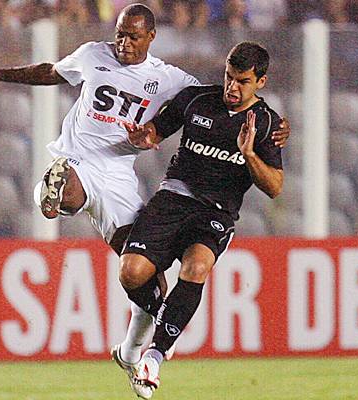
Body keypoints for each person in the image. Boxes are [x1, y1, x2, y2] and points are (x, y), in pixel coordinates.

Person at [0, 4, 289, 390]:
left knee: (139, 272)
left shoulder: (170, 80)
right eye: (120, 33)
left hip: (119, 176)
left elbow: (211, 100)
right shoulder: (92, 55)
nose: (124, 42)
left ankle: (133, 350)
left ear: (151, 37)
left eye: (133, 36)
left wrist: (277, 126)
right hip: (79, 159)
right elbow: (52, 72)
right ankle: (49, 194)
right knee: (64, 192)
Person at [116, 41, 284, 399]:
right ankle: (167, 323)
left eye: (242, 81)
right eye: (228, 77)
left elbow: (274, 187)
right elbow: (156, 131)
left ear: (261, 82)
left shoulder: (267, 123)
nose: (232, 88)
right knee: (130, 272)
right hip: (173, 197)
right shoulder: (197, 100)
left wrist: (249, 154)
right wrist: (142, 137)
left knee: (197, 267)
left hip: (216, 213)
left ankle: (154, 358)